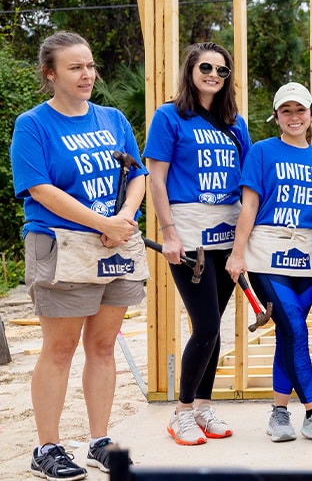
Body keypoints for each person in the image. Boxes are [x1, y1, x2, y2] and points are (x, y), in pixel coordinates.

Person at [12, 32, 149, 479]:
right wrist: (101, 223)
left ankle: (98, 441)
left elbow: (136, 174)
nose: (87, 74)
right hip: (62, 245)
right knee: (60, 348)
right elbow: (41, 189)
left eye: (90, 65)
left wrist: (125, 216)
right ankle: (46, 448)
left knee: (103, 346)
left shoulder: (111, 119)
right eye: (75, 67)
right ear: (50, 74)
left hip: (114, 244)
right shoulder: (33, 124)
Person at [143, 42, 250, 446]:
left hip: (226, 233)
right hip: (188, 235)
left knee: (215, 325)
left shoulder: (235, 123)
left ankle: (204, 406)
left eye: (222, 71)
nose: (213, 75)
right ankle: (182, 412)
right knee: (204, 325)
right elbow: (157, 178)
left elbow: (246, 182)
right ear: (191, 69)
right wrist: (168, 232)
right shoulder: (169, 117)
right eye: (206, 67)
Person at [225, 83, 312, 445]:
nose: (294, 117)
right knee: (293, 327)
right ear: (276, 115)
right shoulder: (262, 152)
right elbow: (250, 204)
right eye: (286, 110)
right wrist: (237, 252)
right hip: (267, 251)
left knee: (290, 335)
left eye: (300, 110)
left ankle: (279, 413)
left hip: (306, 255)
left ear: (311, 115)